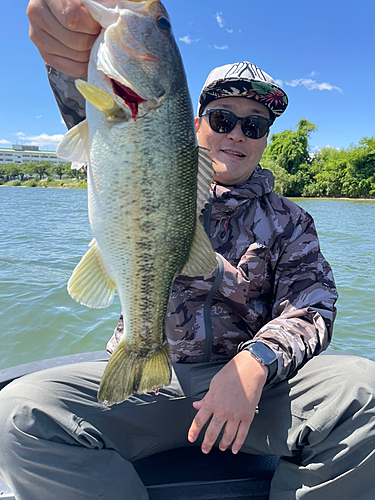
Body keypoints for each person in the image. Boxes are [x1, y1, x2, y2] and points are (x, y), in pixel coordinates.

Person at [0, 1, 374, 499]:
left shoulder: (290, 222)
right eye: (222, 118)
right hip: (151, 386)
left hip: (254, 397)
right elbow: (99, 117)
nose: (237, 134)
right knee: (20, 413)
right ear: (194, 124)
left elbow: (314, 307)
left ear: (265, 140)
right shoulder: (137, 146)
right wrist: (66, 58)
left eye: (255, 126)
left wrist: (255, 361)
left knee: (366, 391)